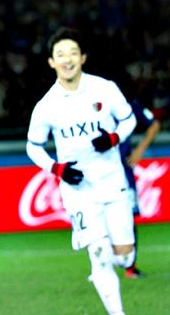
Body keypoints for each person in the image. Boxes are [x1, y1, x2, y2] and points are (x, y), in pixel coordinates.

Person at [26, 27, 137, 315]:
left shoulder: (105, 89)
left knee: (124, 257)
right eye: (60, 54)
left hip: (112, 183)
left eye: (72, 53)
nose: (67, 59)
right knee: (98, 254)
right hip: (79, 190)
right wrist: (57, 168)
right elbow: (33, 147)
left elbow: (128, 121)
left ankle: (116, 262)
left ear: (83, 57)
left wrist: (114, 138)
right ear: (51, 62)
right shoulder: (46, 106)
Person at [118, 98, 161, 279]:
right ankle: (100, 267)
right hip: (97, 174)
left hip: (123, 173)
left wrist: (139, 150)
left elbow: (154, 125)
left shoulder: (128, 106)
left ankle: (130, 267)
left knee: (128, 220)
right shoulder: (89, 103)